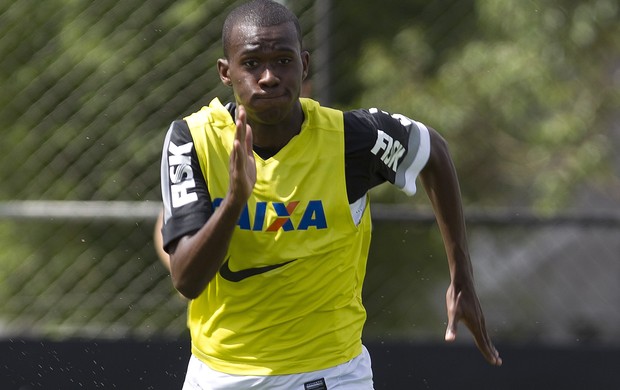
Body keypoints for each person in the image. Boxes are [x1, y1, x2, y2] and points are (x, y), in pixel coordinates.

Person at [159, 1, 502, 388]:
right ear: (226, 72)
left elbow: (433, 151)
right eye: (252, 63)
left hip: (330, 374)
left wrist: (462, 278)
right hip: (221, 374)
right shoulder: (192, 141)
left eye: (284, 61)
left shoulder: (350, 141)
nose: (269, 76)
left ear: (304, 64)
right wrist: (236, 200)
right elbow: (186, 278)